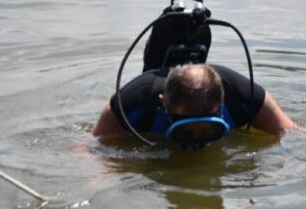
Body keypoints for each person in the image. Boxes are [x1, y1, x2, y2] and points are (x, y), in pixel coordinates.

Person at [93, 62, 295, 146]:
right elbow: (89, 147)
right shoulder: (131, 103)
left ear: (221, 105)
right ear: (164, 104)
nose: (197, 143)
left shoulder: (244, 96)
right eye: (186, 131)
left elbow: (294, 134)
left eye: (209, 130)